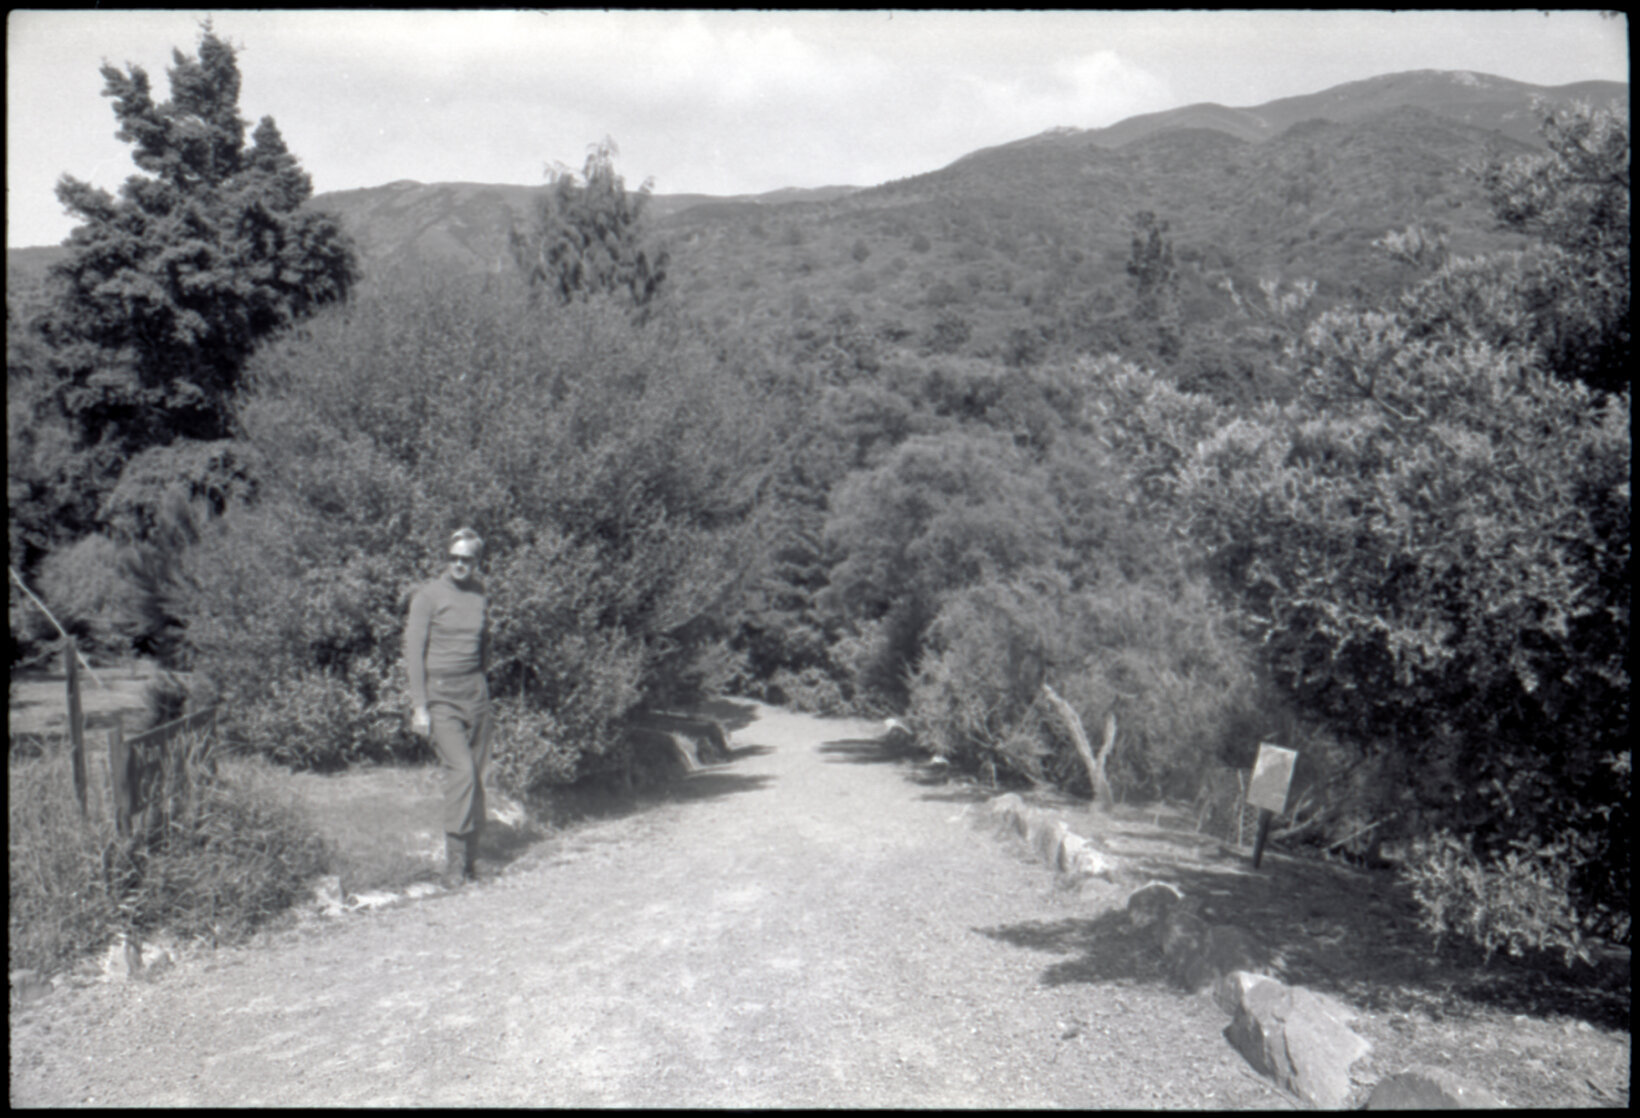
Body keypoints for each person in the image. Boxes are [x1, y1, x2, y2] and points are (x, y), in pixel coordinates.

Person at [404, 528, 493, 888]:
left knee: (481, 774)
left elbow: (485, 641)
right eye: (453, 558)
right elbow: (413, 652)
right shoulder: (427, 596)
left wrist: (483, 682)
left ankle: (473, 859)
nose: (459, 564)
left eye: (466, 559)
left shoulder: (480, 593)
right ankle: (454, 865)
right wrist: (419, 707)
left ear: (476, 562)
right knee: (462, 773)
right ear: (447, 558)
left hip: (476, 691)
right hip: (440, 695)